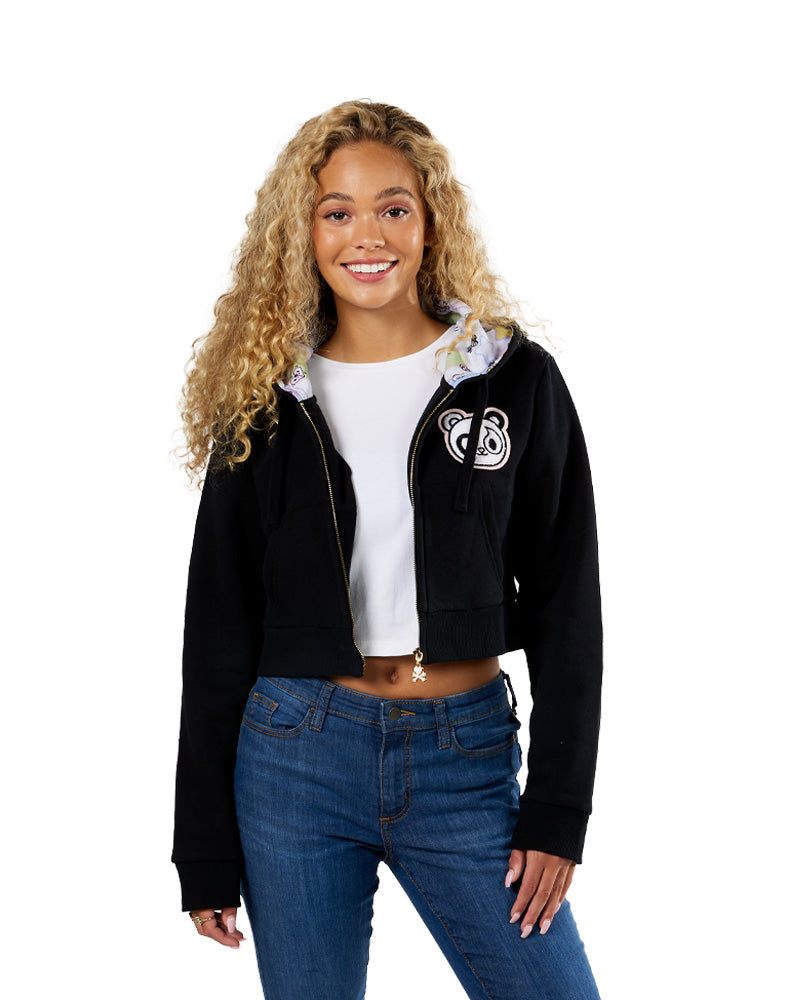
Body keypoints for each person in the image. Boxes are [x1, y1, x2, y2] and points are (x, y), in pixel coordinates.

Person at [172, 100, 603, 1000]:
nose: (365, 235)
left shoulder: (510, 377)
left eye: (393, 208)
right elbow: (217, 624)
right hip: (294, 755)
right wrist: (203, 843)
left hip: (464, 754)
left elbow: (568, 599)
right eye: (336, 211)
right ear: (303, 233)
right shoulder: (266, 396)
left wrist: (559, 810)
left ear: (430, 222)